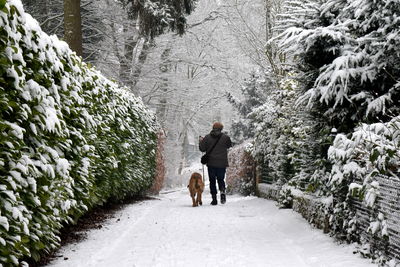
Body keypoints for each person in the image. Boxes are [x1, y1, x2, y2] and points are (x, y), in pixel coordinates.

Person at [199, 122, 232, 205]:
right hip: (222, 163)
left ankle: (214, 199)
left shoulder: (207, 137)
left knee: (212, 181)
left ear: (213, 128)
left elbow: (202, 149)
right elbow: (229, 146)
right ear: (221, 129)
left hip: (211, 163)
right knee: (221, 179)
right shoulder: (225, 137)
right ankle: (222, 191)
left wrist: (200, 141)